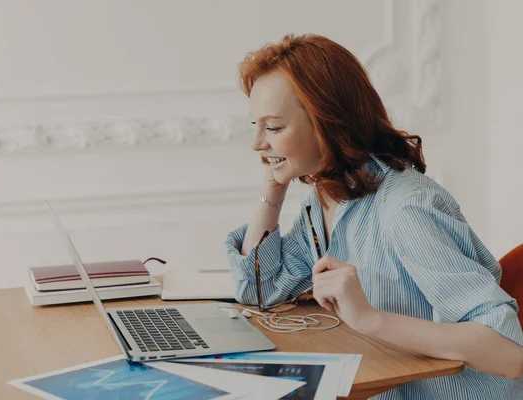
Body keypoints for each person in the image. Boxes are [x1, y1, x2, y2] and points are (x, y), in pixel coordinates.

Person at [224, 33, 523, 399]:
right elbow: (260, 290)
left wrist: (369, 319)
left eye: (272, 127)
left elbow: (507, 354)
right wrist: (272, 189)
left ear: (326, 122)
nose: (256, 142)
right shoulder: (326, 201)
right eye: (255, 125)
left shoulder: (404, 209)